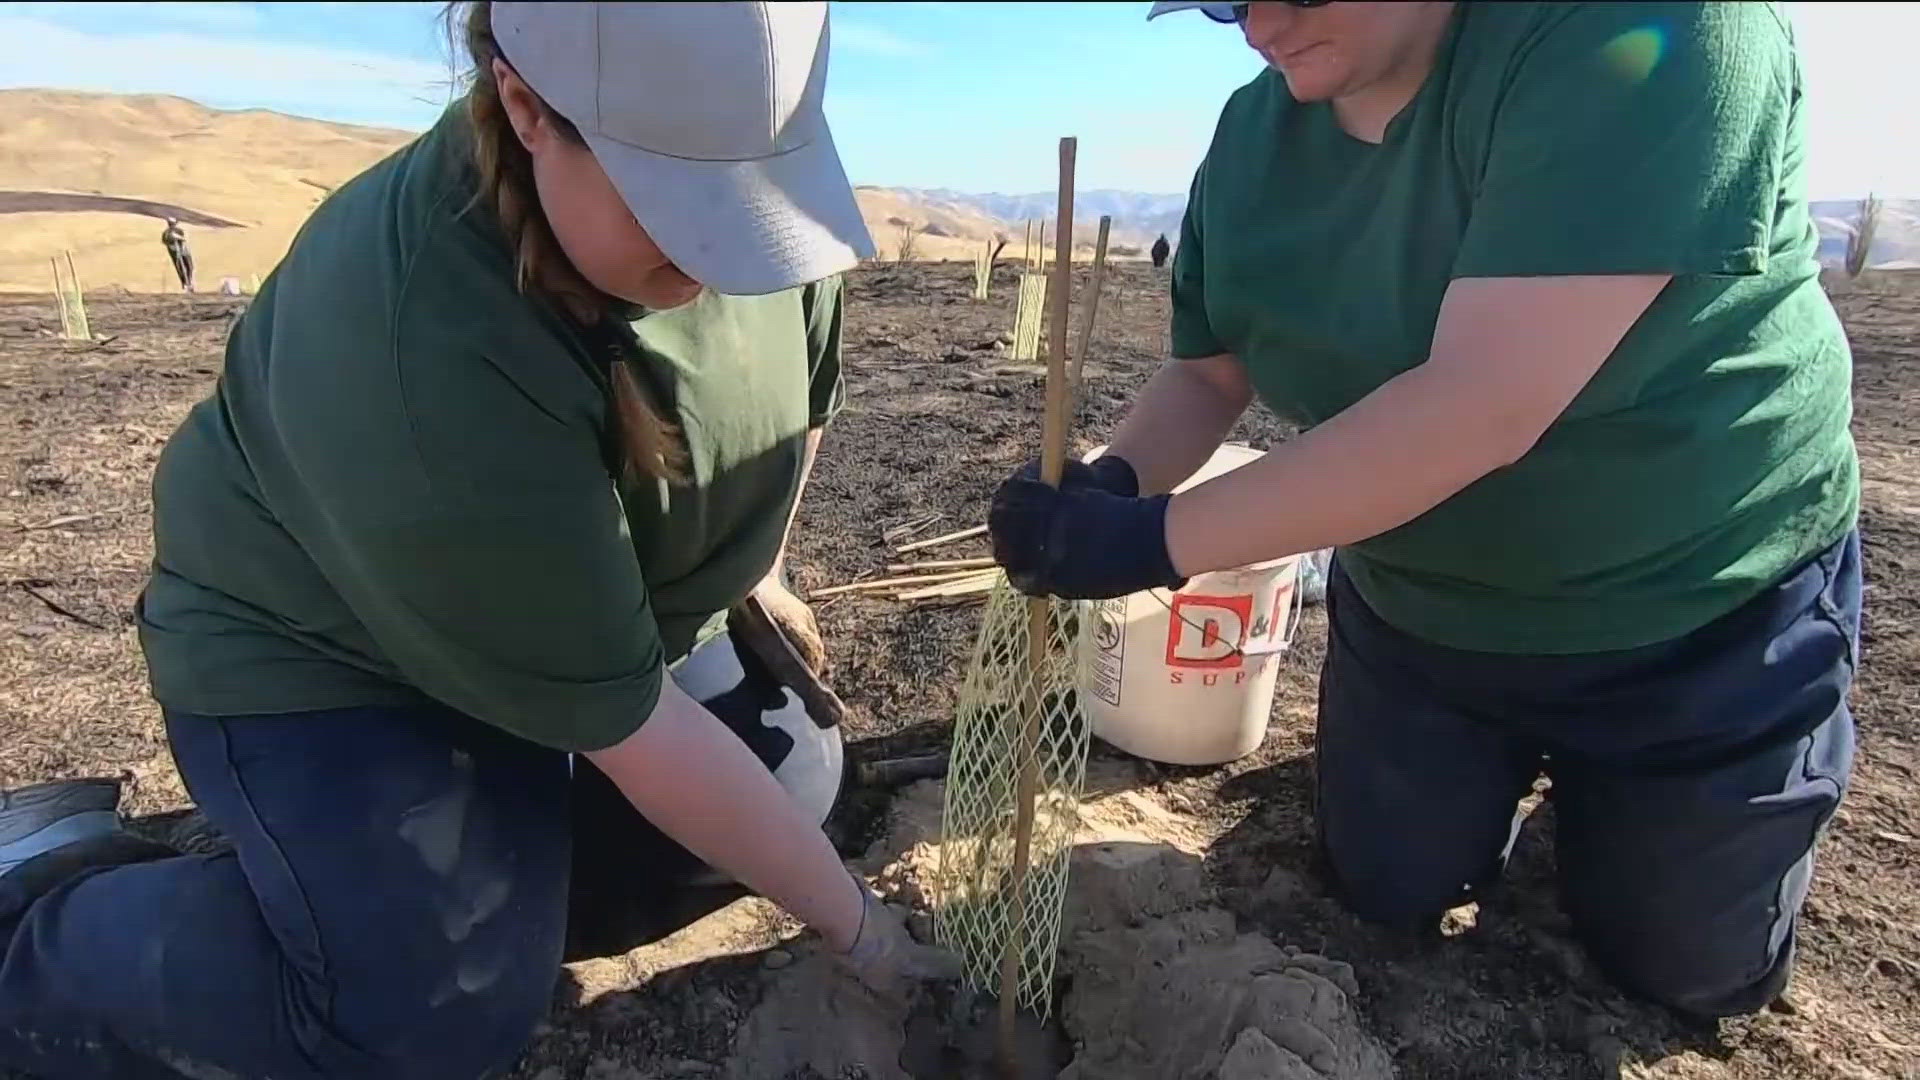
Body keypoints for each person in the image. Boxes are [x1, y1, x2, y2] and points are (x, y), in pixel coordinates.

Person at [0, 3, 955, 1078]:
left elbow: (799, 402)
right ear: (527, 108)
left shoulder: (752, 200)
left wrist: (761, 567)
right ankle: (44, 914)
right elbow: (633, 728)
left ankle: (369, 885)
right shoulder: (422, 338)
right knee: (427, 1018)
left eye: (751, 206)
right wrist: (866, 936)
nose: (720, 254)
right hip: (337, 661)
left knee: (789, 778)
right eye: (678, 201)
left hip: (580, 623)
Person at [990, 0, 1859, 1022]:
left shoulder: (1650, 27)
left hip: (1695, 609)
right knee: (1384, 891)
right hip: (1426, 613)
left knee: (1685, 972)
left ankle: (1661, 812)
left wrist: (1148, 545)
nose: (1259, 22)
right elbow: (1210, 376)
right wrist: (1115, 482)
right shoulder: (1253, 137)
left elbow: (1482, 404)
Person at [161, 216, 194, 292]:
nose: (172, 225)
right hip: (174, 252)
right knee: (180, 268)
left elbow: (183, 240)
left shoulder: (179, 231)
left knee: (189, 266)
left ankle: (190, 281)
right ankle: (184, 283)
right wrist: (172, 246)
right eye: (171, 223)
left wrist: (181, 245)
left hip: (183, 250)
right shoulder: (166, 233)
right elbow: (165, 242)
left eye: (173, 223)